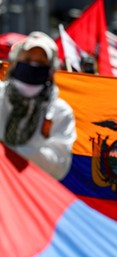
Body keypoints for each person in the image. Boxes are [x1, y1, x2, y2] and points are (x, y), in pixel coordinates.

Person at [0, 31, 76, 180]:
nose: (33, 66)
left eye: (41, 63)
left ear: (51, 70)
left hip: (31, 191)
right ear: (15, 63)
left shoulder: (60, 112)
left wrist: (11, 153)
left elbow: (59, 166)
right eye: (27, 59)